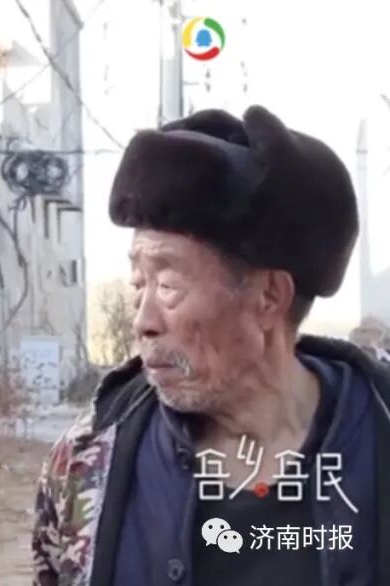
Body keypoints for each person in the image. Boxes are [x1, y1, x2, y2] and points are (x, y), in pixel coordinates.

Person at [30, 106, 390, 585]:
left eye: (169, 286)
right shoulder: (87, 458)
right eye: (139, 283)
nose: (143, 323)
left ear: (269, 297)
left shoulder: (376, 435)